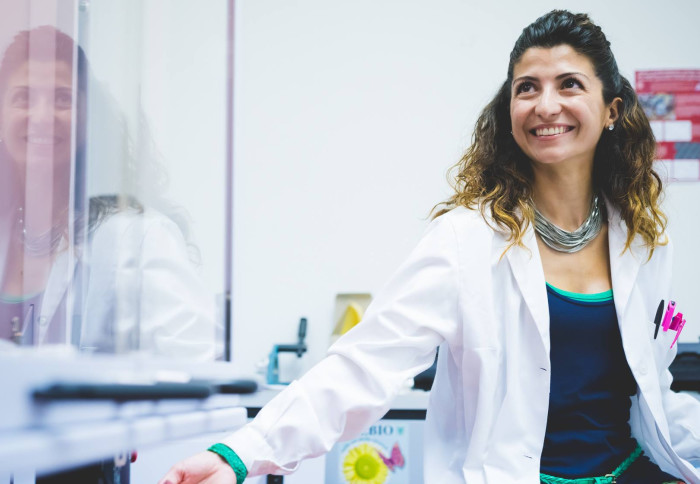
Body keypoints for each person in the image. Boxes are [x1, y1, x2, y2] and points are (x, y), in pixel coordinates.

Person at [159, 10, 700, 484]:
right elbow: (363, 365)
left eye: (569, 84)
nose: (545, 104)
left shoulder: (644, 240)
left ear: (612, 109)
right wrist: (242, 452)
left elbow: (653, 390)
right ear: (509, 109)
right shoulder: (467, 241)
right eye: (527, 88)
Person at [0, 25, 219, 359]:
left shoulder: (136, 238)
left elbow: (199, 365)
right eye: (24, 98)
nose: (42, 116)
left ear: (89, 118)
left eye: (63, 99)